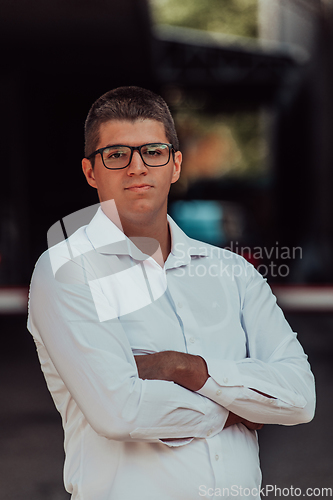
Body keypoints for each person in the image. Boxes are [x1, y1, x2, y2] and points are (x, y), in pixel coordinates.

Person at [28, 86, 315, 500]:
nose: (137, 167)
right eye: (116, 155)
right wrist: (242, 405)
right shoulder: (67, 270)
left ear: (175, 164)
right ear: (91, 172)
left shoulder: (232, 272)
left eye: (153, 152)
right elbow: (121, 412)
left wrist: (185, 369)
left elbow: (301, 398)